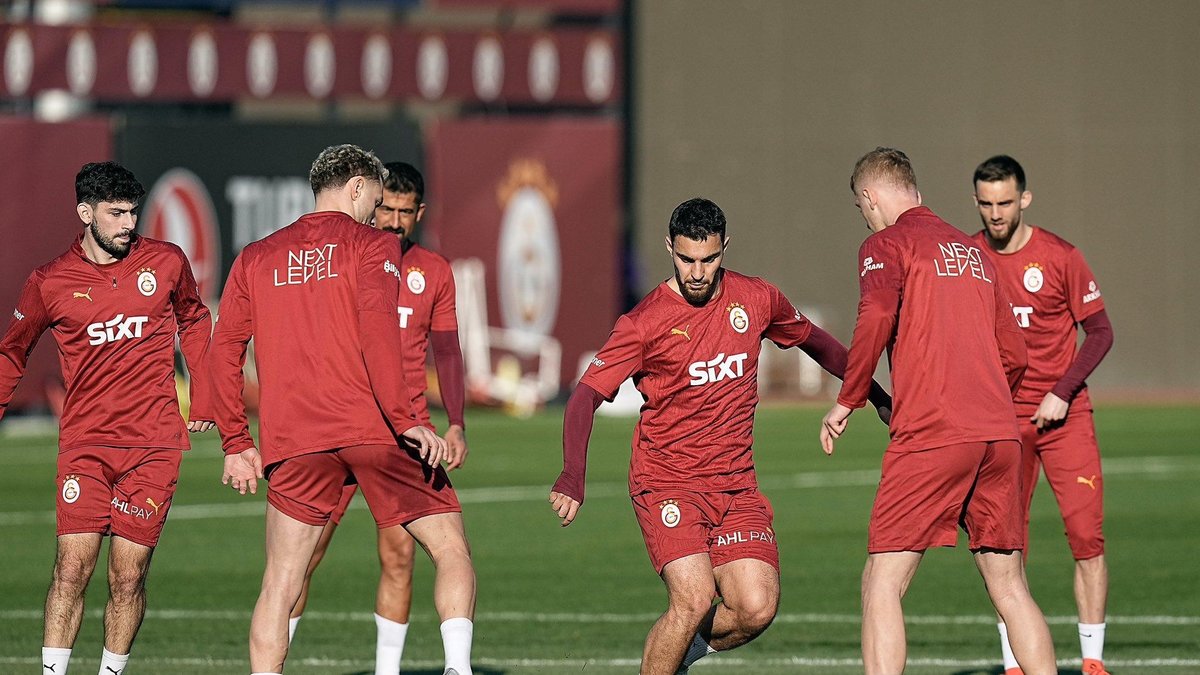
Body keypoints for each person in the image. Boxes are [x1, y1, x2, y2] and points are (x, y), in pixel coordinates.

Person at [549, 197, 892, 675]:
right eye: (686, 259)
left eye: (708, 259)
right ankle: (676, 644)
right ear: (670, 247)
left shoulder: (756, 299)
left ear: (724, 249)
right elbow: (585, 396)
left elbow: (816, 341)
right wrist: (572, 474)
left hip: (736, 487)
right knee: (691, 600)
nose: (696, 271)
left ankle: (680, 653)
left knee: (756, 608)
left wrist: (873, 395)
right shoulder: (644, 322)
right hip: (666, 482)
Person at [209, 145, 475, 675]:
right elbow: (380, 340)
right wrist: (407, 421)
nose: (378, 214)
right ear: (357, 188)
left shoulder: (255, 257)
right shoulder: (370, 246)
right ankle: (458, 668)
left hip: (293, 440)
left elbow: (221, 352)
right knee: (449, 547)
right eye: (375, 201)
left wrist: (236, 443)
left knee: (281, 583)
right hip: (371, 428)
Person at [820, 147, 1057, 675]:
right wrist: (990, 400)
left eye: (863, 208)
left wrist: (848, 398)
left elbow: (877, 313)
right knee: (1011, 587)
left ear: (869, 197)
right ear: (916, 192)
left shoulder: (886, 243)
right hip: (999, 435)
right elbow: (1015, 353)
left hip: (933, 433)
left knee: (881, 583)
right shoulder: (972, 252)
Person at [0, 161, 213, 675]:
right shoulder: (50, 281)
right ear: (84, 213)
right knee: (71, 569)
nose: (127, 223)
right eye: (116, 213)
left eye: (133, 212)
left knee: (128, 576)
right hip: (86, 446)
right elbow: (12, 353)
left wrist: (207, 397)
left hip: (154, 447)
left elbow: (196, 319)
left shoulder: (165, 262)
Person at [289, 161, 469, 675]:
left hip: (404, 433)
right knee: (303, 557)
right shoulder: (345, 258)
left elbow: (448, 352)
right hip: (336, 422)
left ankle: (385, 672)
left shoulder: (433, 271)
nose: (392, 220)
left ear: (419, 214)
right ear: (370, 201)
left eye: (403, 212)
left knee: (400, 557)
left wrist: (455, 422)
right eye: (385, 208)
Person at [972, 155, 1114, 675]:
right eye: (986, 204)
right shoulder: (968, 260)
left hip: (1064, 418)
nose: (996, 213)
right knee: (1007, 544)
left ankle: (1093, 661)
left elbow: (1100, 332)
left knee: (1086, 535)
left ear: (1024, 199)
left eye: (1005, 202)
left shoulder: (1060, 256)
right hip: (1002, 425)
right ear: (976, 203)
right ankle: (1014, 663)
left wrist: (1062, 390)